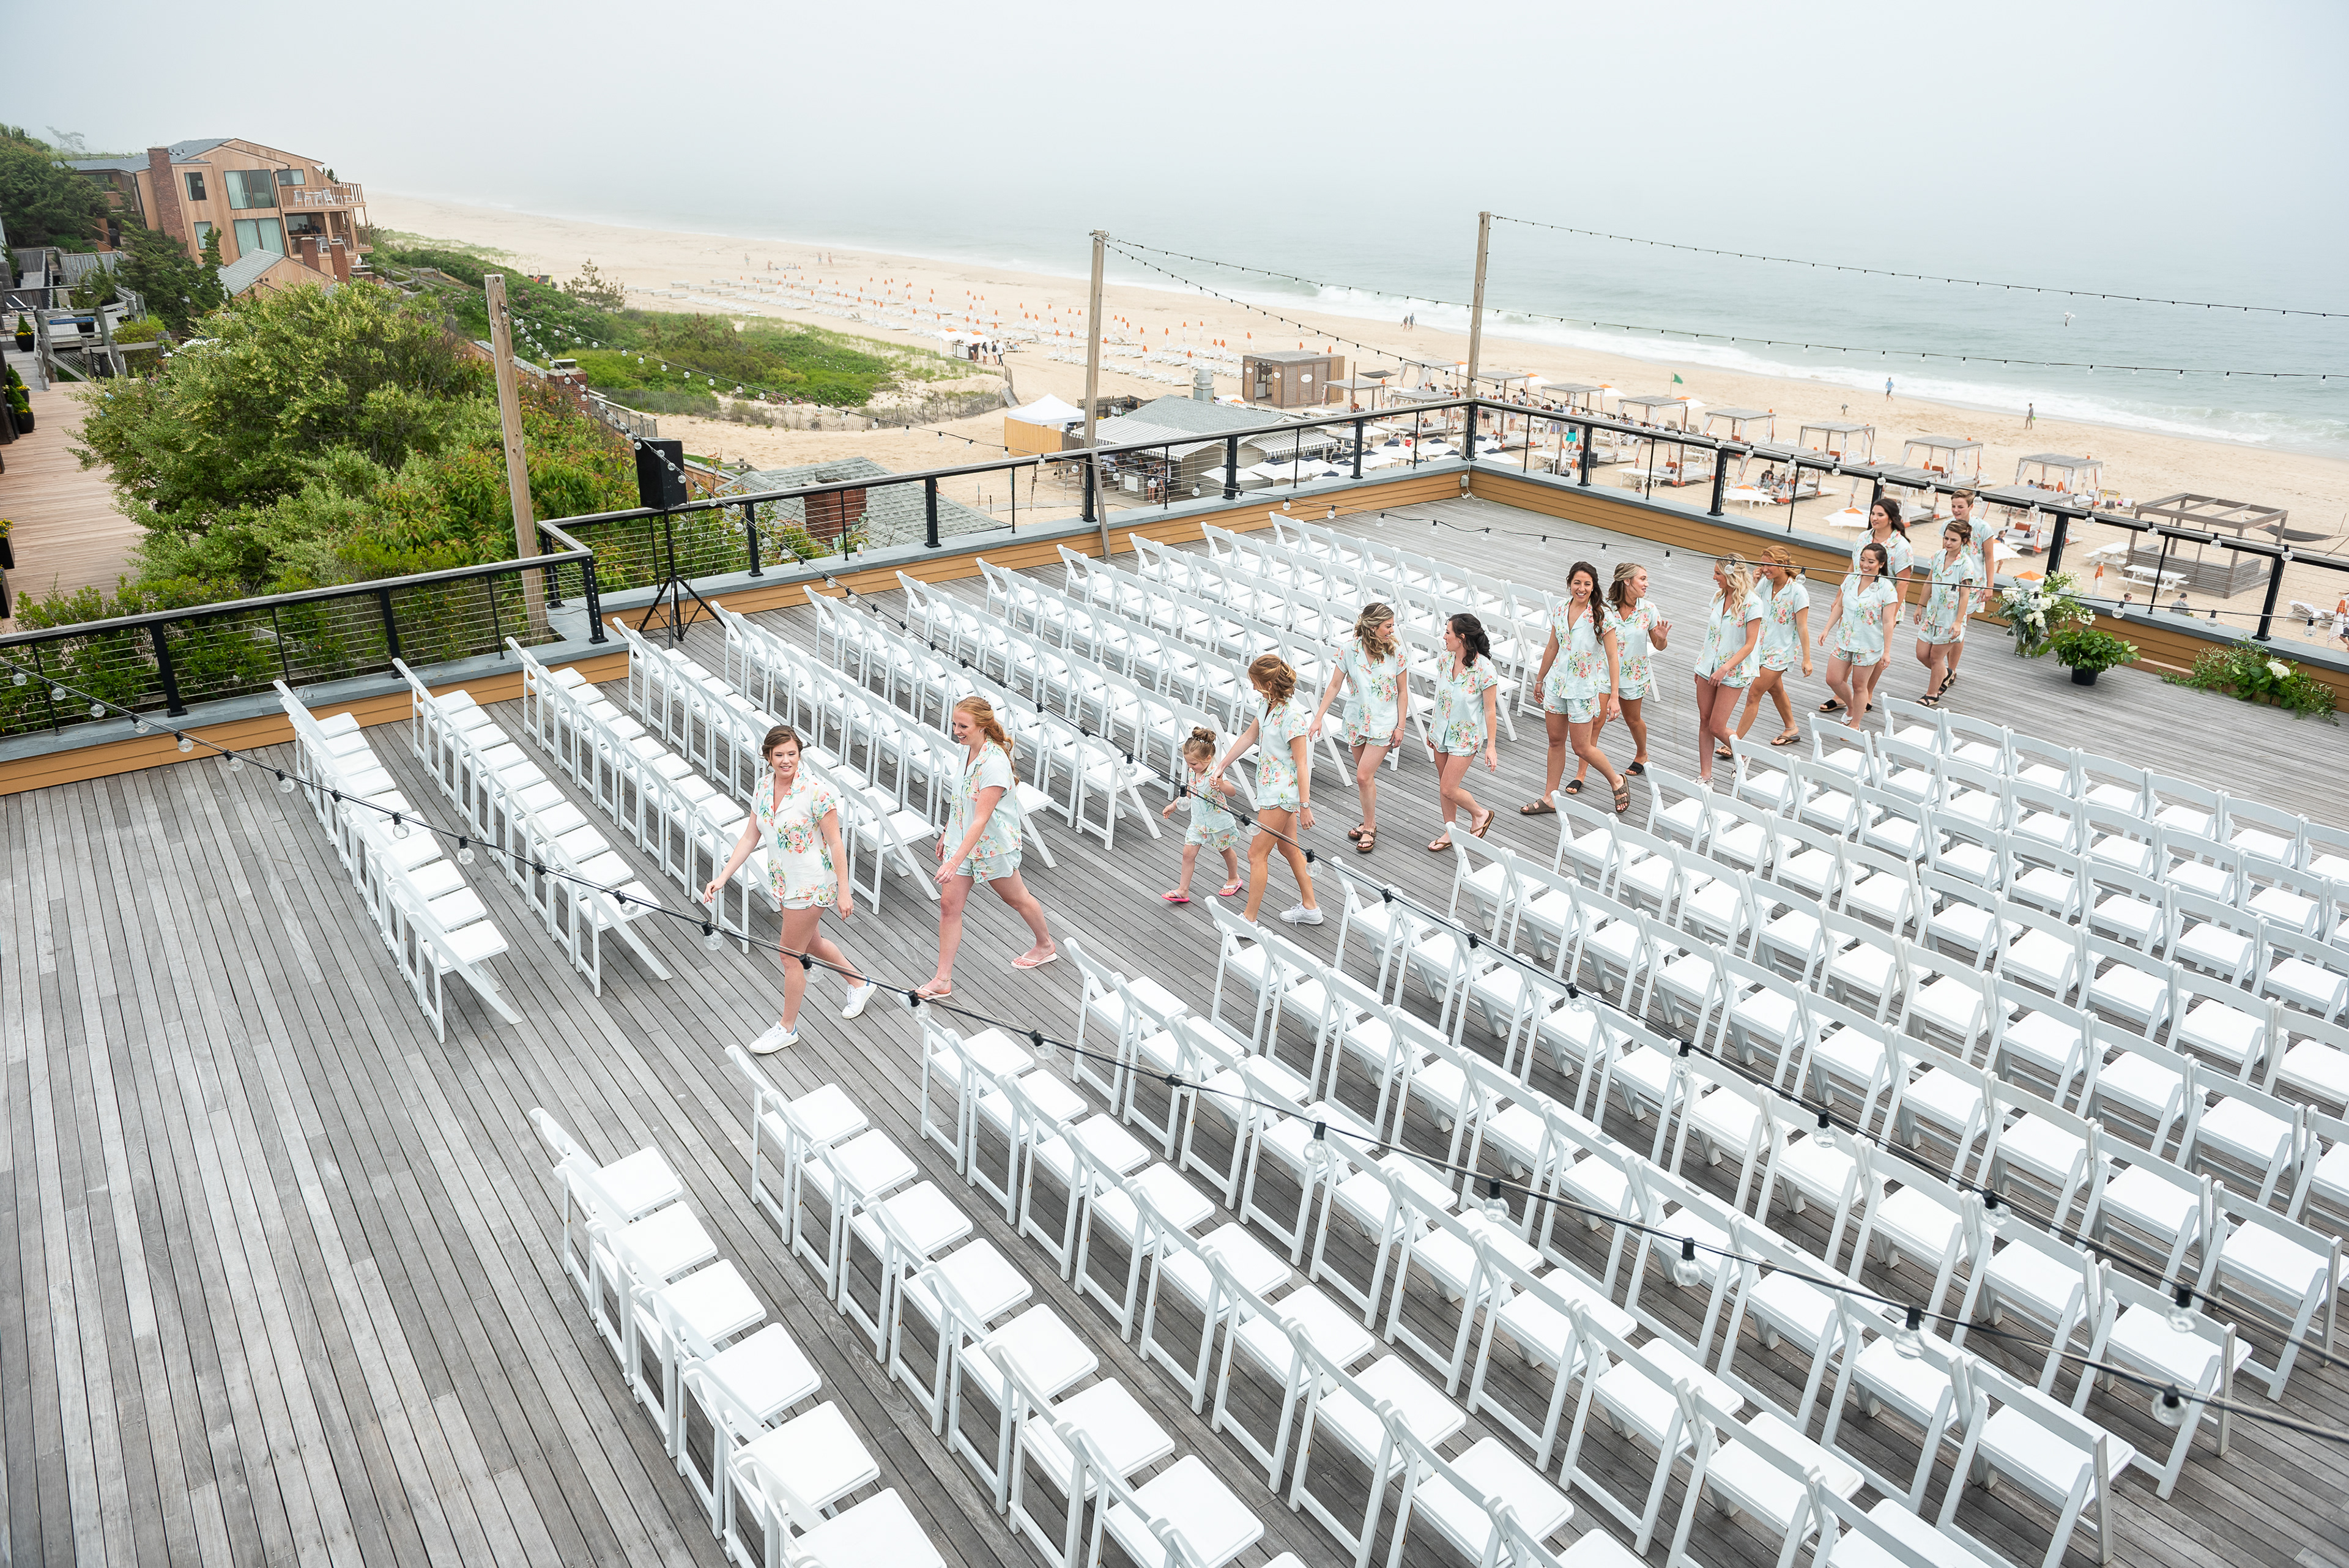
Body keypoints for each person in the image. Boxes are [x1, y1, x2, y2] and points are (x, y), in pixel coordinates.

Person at [705, 726, 877, 1052]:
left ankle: (787, 1028)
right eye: (779, 755)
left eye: (792, 754)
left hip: (812, 884)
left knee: (789, 955)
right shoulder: (763, 787)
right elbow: (750, 837)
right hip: (784, 882)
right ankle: (859, 983)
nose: (786, 760)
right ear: (768, 757)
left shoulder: (816, 792)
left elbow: (836, 843)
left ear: (800, 754)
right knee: (812, 943)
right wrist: (723, 877)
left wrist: (844, 890)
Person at [916, 697, 1054, 998]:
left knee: (1017, 899)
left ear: (981, 726)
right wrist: (947, 832)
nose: (957, 731)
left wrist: (954, 861)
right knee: (948, 907)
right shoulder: (966, 750)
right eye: (955, 724)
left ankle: (1045, 944)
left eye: (963, 726)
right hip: (961, 841)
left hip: (992, 847)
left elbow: (981, 819)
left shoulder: (994, 763)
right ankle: (942, 979)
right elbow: (960, 799)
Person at [1214, 654, 1321, 924]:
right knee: (1288, 848)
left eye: (1255, 683)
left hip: (1282, 795)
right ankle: (1311, 908)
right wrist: (1222, 765)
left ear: (1269, 684)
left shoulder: (1294, 716)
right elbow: (1250, 736)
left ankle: (1248, 920)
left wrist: (1305, 806)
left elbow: (1302, 764)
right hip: (1270, 787)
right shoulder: (1267, 703)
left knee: (1256, 854)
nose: (1252, 687)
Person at [1526, 560, 1629, 816]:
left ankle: (1617, 780)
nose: (1581, 588)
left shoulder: (1602, 616)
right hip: (1556, 685)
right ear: (1569, 584)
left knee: (1582, 747)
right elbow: (1553, 646)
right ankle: (1550, 797)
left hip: (1583, 690)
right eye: (1577, 583)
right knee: (1555, 741)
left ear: (1594, 587)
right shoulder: (1561, 608)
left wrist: (1614, 696)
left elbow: (1613, 658)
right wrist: (1540, 679)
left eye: (1587, 584)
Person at [1309, 603, 1406, 855]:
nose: (1392, 630)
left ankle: (1370, 827)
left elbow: (1403, 691)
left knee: (1363, 776)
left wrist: (1401, 726)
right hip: (1356, 721)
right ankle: (1367, 821)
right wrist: (1318, 718)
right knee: (1365, 779)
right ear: (1373, 627)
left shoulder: (1396, 652)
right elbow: (1334, 685)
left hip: (1384, 723)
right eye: (1388, 626)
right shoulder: (1348, 651)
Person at [1573, 562, 1669, 793]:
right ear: (1627, 581)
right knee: (1596, 721)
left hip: (1635, 675)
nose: (1647, 584)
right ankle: (1580, 774)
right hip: (1604, 673)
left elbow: (1659, 646)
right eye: (1642, 579)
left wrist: (1662, 638)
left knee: (1633, 720)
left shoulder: (1649, 610)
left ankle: (1642, 754)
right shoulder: (1605, 609)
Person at [1820, 497, 1913, 715]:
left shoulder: (1901, 546)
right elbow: (1853, 567)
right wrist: (1839, 596)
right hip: (1855, 598)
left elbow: (1903, 582)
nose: (1875, 518)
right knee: (1849, 643)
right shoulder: (1863, 537)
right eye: (1873, 513)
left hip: (1883, 605)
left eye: (1880, 515)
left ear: (1891, 518)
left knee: (1873, 650)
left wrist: (1892, 612)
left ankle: (1867, 693)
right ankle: (1842, 695)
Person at [1426, 612, 1500, 850]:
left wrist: (1491, 746)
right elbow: (1440, 697)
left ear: (1462, 637)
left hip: (1465, 738)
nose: (1444, 637)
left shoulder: (1485, 669)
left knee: (1448, 787)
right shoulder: (1445, 660)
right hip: (1440, 733)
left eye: (1448, 632)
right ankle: (1450, 831)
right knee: (1445, 787)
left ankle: (1480, 813)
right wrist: (1432, 729)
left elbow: (1490, 711)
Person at [1691, 557, 1766, 787]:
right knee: (1704, 720)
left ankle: (1742, 754)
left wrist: (1724, 668)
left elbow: (1750, 644)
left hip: (1733, 671)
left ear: (1732, 575)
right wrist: (1700, 665)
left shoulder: (1753, 603)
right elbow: (1711, 635)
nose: (1714, 577)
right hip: (1708, 667)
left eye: (1718, 574)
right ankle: (1706, 776)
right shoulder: (1719, 597)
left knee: (1717, 725)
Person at [1735, 547, 1812, 747]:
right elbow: (1748, 604)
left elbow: (1803, 627)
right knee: (1776, 690)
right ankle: (1791, 728)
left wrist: (1807, 659)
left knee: (1754, 694)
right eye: (1763, 564)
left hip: (1781, 652)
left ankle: (1733, 742)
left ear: (1783, 565)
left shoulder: (1798, 592)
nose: (1765, 568)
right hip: (1760, 647)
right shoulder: (1765, 584)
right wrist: (1754, 582)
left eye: (1769, 564)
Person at [1820, 542, 1902, 728]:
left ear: (1881, 564)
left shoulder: (1887, 588)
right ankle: (1851, 707)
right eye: (1863, 560)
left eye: (1871, 562)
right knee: (1833, 679)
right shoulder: (1851, 579)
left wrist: (1887, 652)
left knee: (1859, 685)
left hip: (1868, 644)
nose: (1865, 565)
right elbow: (1839, 606)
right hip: (1844, 639)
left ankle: (1855, 723)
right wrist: (1827, 629)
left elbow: (1889, 622)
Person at [1160, 728, 1245, 902]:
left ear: (1208, 758)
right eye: (1188, 763)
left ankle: (1234, 878)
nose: (1190, 767)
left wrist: (1221, 785)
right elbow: (1190, 791)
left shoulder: (1216, 772)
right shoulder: (1194, 771)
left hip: (1218, 822)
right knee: (1187, 854)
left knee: (1225, 850)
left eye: (1193, 764)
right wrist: (1174, 805)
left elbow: (1232, 792)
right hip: (1198, 822)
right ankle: (1183, 890)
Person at [1914, 518, 1986, 703]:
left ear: (1963, 541)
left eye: (1953, 540)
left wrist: (1958, 622)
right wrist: (1920, 606)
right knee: (1921, 654)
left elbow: (1965, 595)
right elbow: (1929, 582)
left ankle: (1932, 694)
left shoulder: (1966, 565)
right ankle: (1946, 673)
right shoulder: (1938, 557)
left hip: (1950, 619)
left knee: (1935, 657)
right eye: (1946, 538)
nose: (1948, 543)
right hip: (1932, 615)